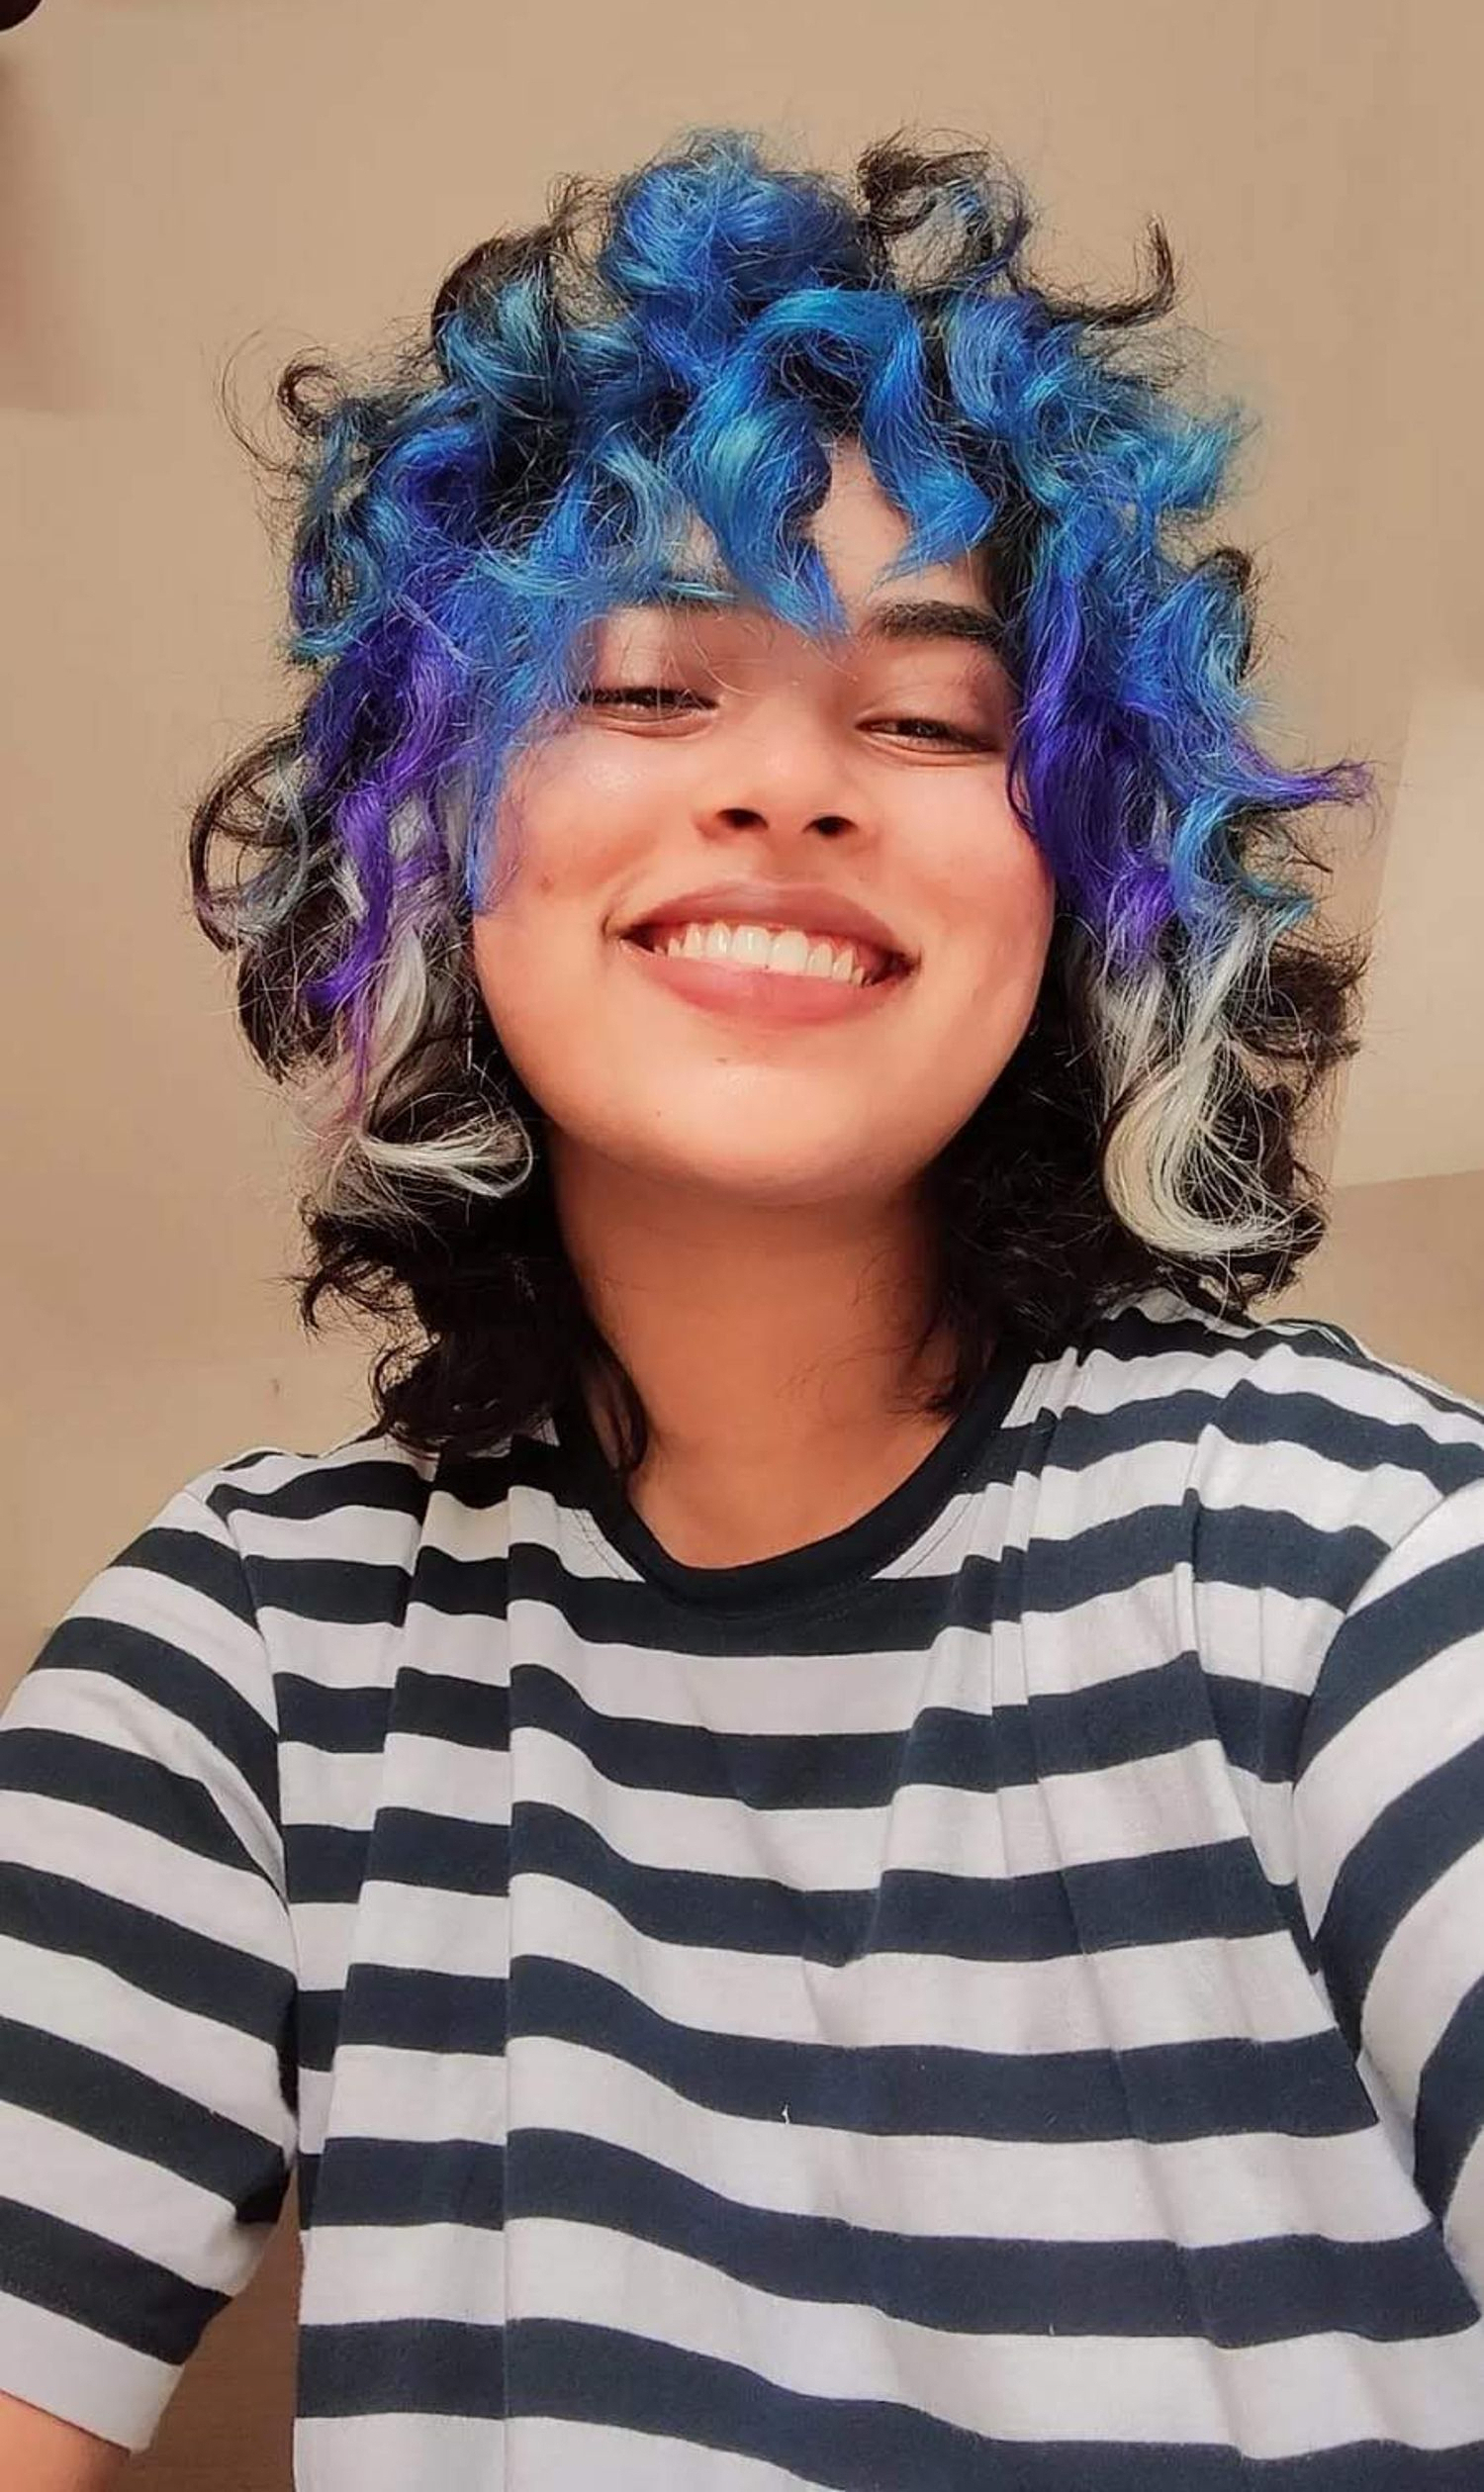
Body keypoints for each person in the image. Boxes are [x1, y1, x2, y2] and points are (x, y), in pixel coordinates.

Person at [1, 125, 1481, 2492]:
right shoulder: (247, 1664)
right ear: (432, 832)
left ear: (1085, 875)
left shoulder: (1359, 1558)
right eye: (649, 688)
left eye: (930, 721)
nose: (790, 786)